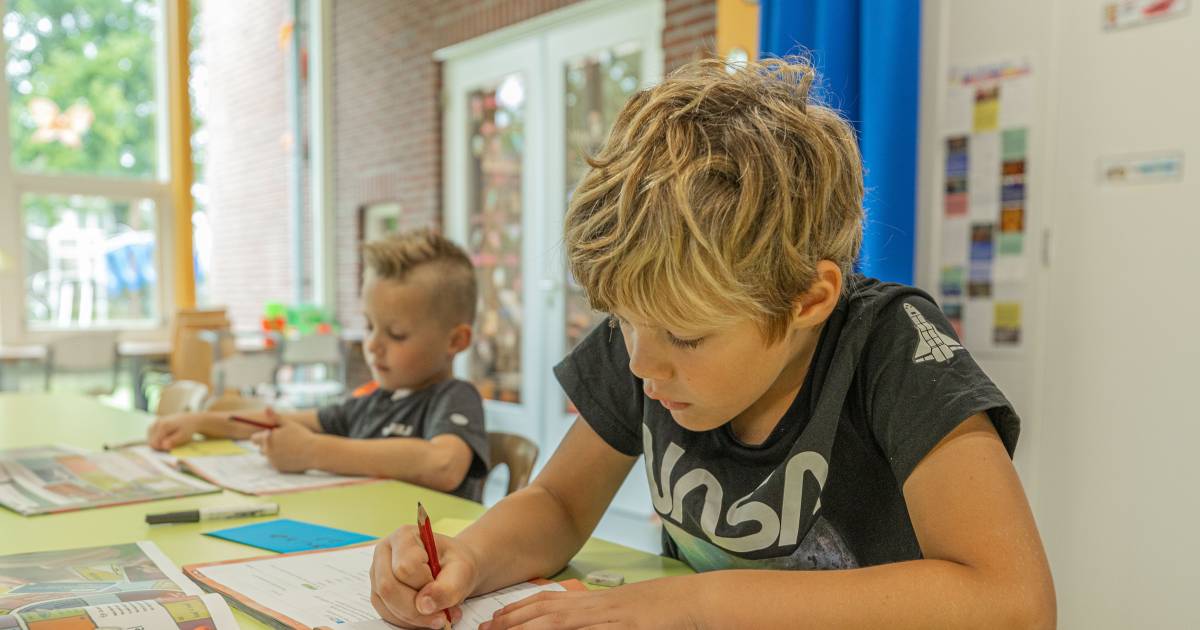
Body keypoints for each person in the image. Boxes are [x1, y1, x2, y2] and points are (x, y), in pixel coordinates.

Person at [369, 57, 1055, 628]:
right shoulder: (653, 324)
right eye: (622, 322)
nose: (641, 364)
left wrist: (698, 603)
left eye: (687, 337)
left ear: (807, 300)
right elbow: (560, 505)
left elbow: (1012, 601)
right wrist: (467, 559)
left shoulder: (891, 348)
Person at [147, 230, 490, 501]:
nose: (373, 344)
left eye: (397, 334)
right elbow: (270, 422)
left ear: (456, 341)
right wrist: (198, 421)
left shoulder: (455, 397)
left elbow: (443, 464)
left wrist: (313, 451)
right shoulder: (370, 405)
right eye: (370, 326)